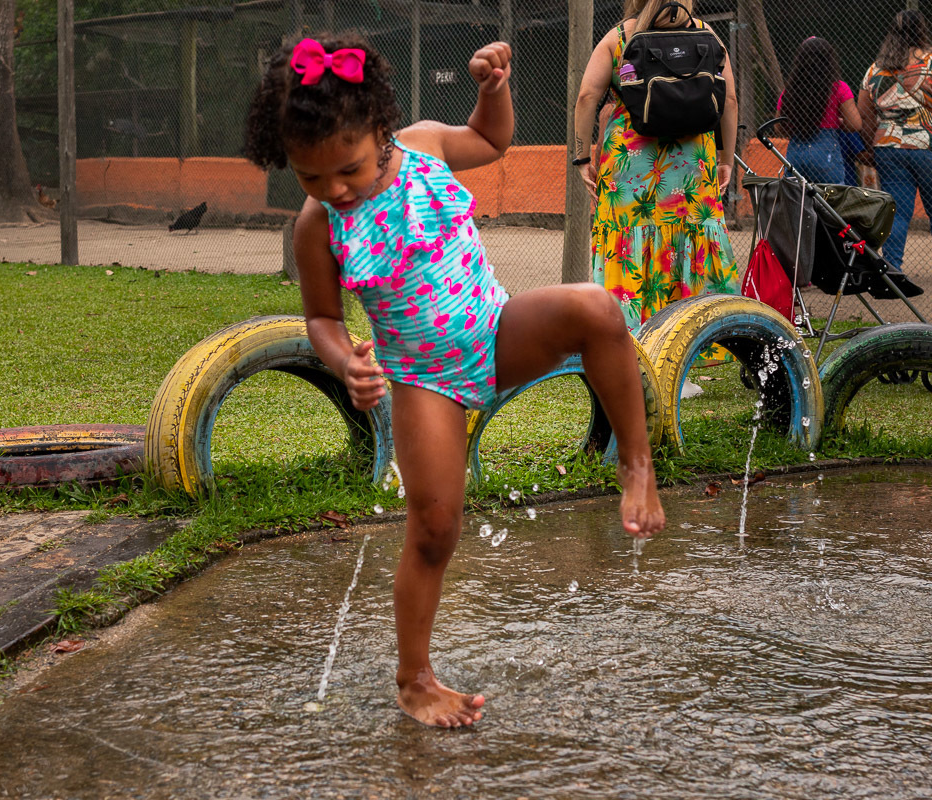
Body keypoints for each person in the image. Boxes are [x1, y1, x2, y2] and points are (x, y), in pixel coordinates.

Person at [243, 34, 666, 729]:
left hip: (495, 333)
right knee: (435, 527)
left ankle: (636, 461)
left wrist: (492, 89)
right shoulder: (317, 225)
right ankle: (414, 678)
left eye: (346, 170)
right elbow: (320, 314)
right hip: (421, 381)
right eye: (310, 178)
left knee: (597, 309)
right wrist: (343, 356)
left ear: (382, 132)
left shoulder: (426, 145)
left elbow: (489, 140)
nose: (333, 190)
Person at [572, 0, 740, 396]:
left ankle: (627, 360)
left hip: (631, 166)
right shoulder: (707, 33)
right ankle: (677, 365)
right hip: (691, 165)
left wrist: (582, 156)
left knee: (630, 256)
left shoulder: (619, 37)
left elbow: (586, 98)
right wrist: (726, 158)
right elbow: (729, 101)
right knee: (684, 249)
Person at [859, 9, 932, 271]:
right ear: (922, 31)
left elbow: (864, 115)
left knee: (897, 211)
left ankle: (892, 269)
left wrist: (869, 148)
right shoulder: (930, 61)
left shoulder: (876, 69)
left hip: (887, 146)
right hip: (926, 145)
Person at [777, 37, 862, 184]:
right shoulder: (838, 88)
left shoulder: (790, 91)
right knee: (832, 198)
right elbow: (855, 124)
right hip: (826, 154)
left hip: (796, 153)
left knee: (795, 198)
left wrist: (799, 125)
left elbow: (779, 127)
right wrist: (838, 122)